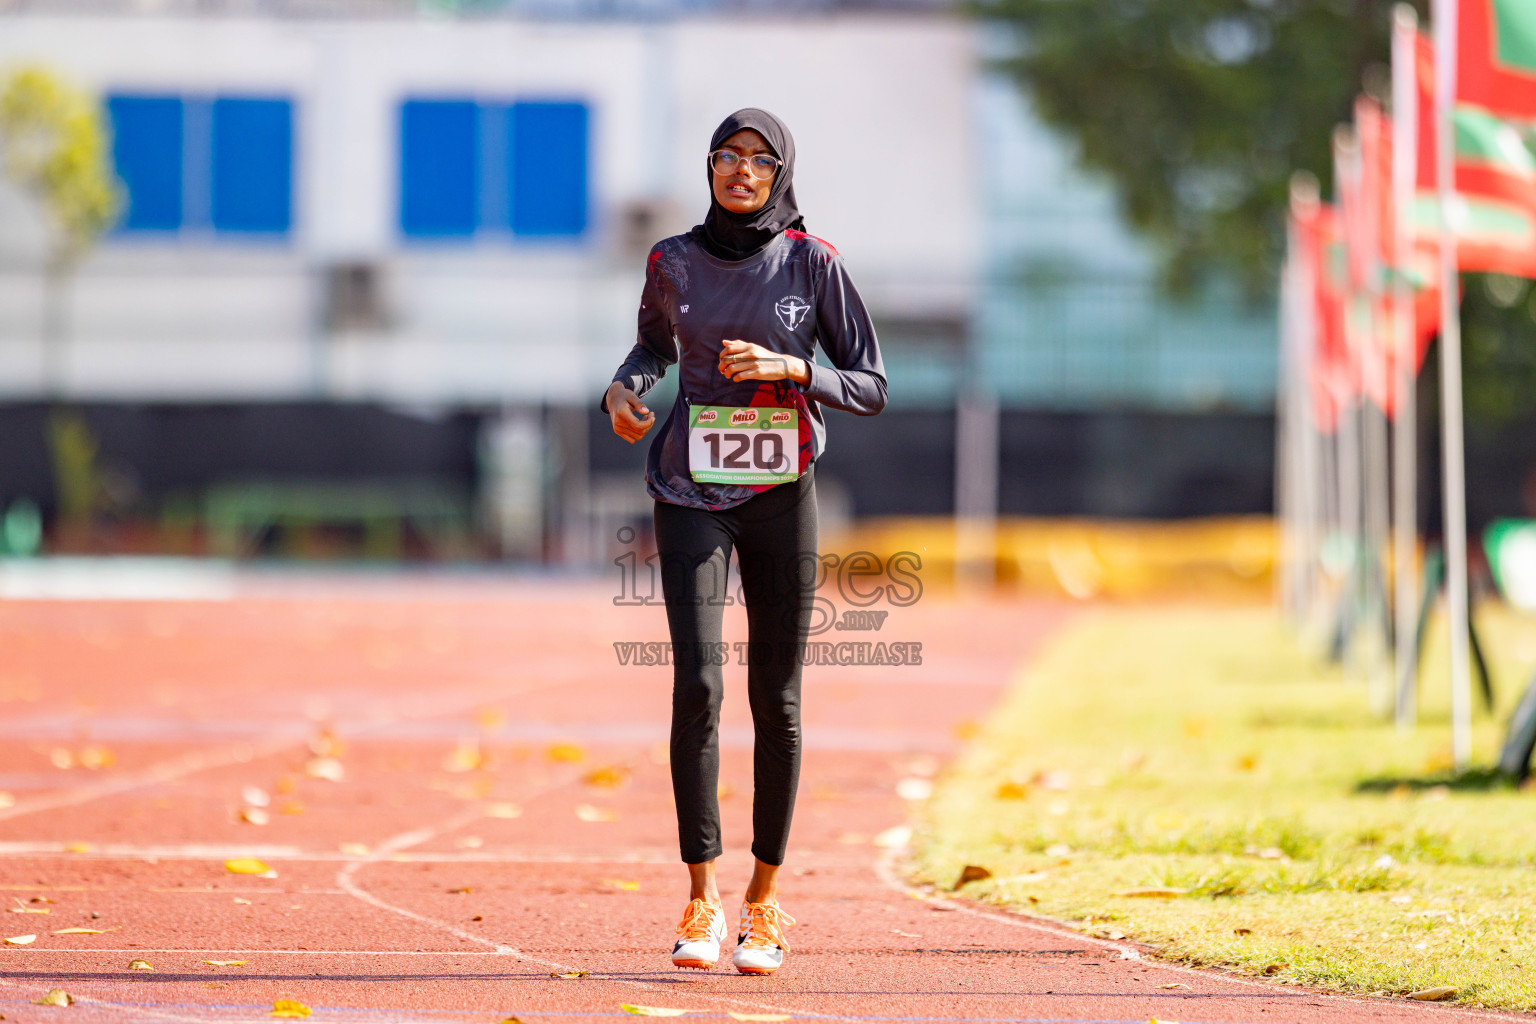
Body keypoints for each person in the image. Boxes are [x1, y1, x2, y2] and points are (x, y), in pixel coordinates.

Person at [602, 108, 886, 976]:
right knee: (697, 683)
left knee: (780, 697)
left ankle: (763, 902)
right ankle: (702, 896)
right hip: (689, 491)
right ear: (711, 169)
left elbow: (872, 384)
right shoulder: (672, 261)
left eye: (758, 160)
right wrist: (622, 388)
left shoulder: (812, 262)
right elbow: (651, 347)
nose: (740, 170)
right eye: (726, 156)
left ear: (779, 173)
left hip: (779, 493)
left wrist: (794, 370)